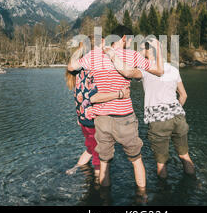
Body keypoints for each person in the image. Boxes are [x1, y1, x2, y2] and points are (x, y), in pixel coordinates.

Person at [67, 25, 164, 189]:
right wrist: (159, 49)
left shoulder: (94, 55)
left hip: (101, 119)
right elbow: (159, 71)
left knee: (104, 163)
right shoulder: (132, 55)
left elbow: (70, 67)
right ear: (125, 38)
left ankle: (104, 199)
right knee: (136, 159)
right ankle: (142, 196)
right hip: (124, 116)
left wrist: (82, 49)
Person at [104, 39, 195, 179]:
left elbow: (127, 72)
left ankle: (163, 194)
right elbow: (184, 95)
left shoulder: (145, 69)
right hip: (178, 117)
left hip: (158, 121)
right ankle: (193, 183)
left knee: (161, 162)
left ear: (149, 50)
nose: (139, 52)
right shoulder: (173, 69)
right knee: (184, 155)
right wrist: (172, 111)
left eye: (142, 49)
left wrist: (111, 55)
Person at [65, 42, 131, 180]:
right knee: (98, 157)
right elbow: (94, 97)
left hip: (83, 120)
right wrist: (119, 94)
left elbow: (79, 98)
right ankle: (98, 186)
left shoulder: (78, 72)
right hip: (94, 119)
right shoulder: (93, 71)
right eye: (101, 45)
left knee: (90, 147)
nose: (105, 48)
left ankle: (75, 168)